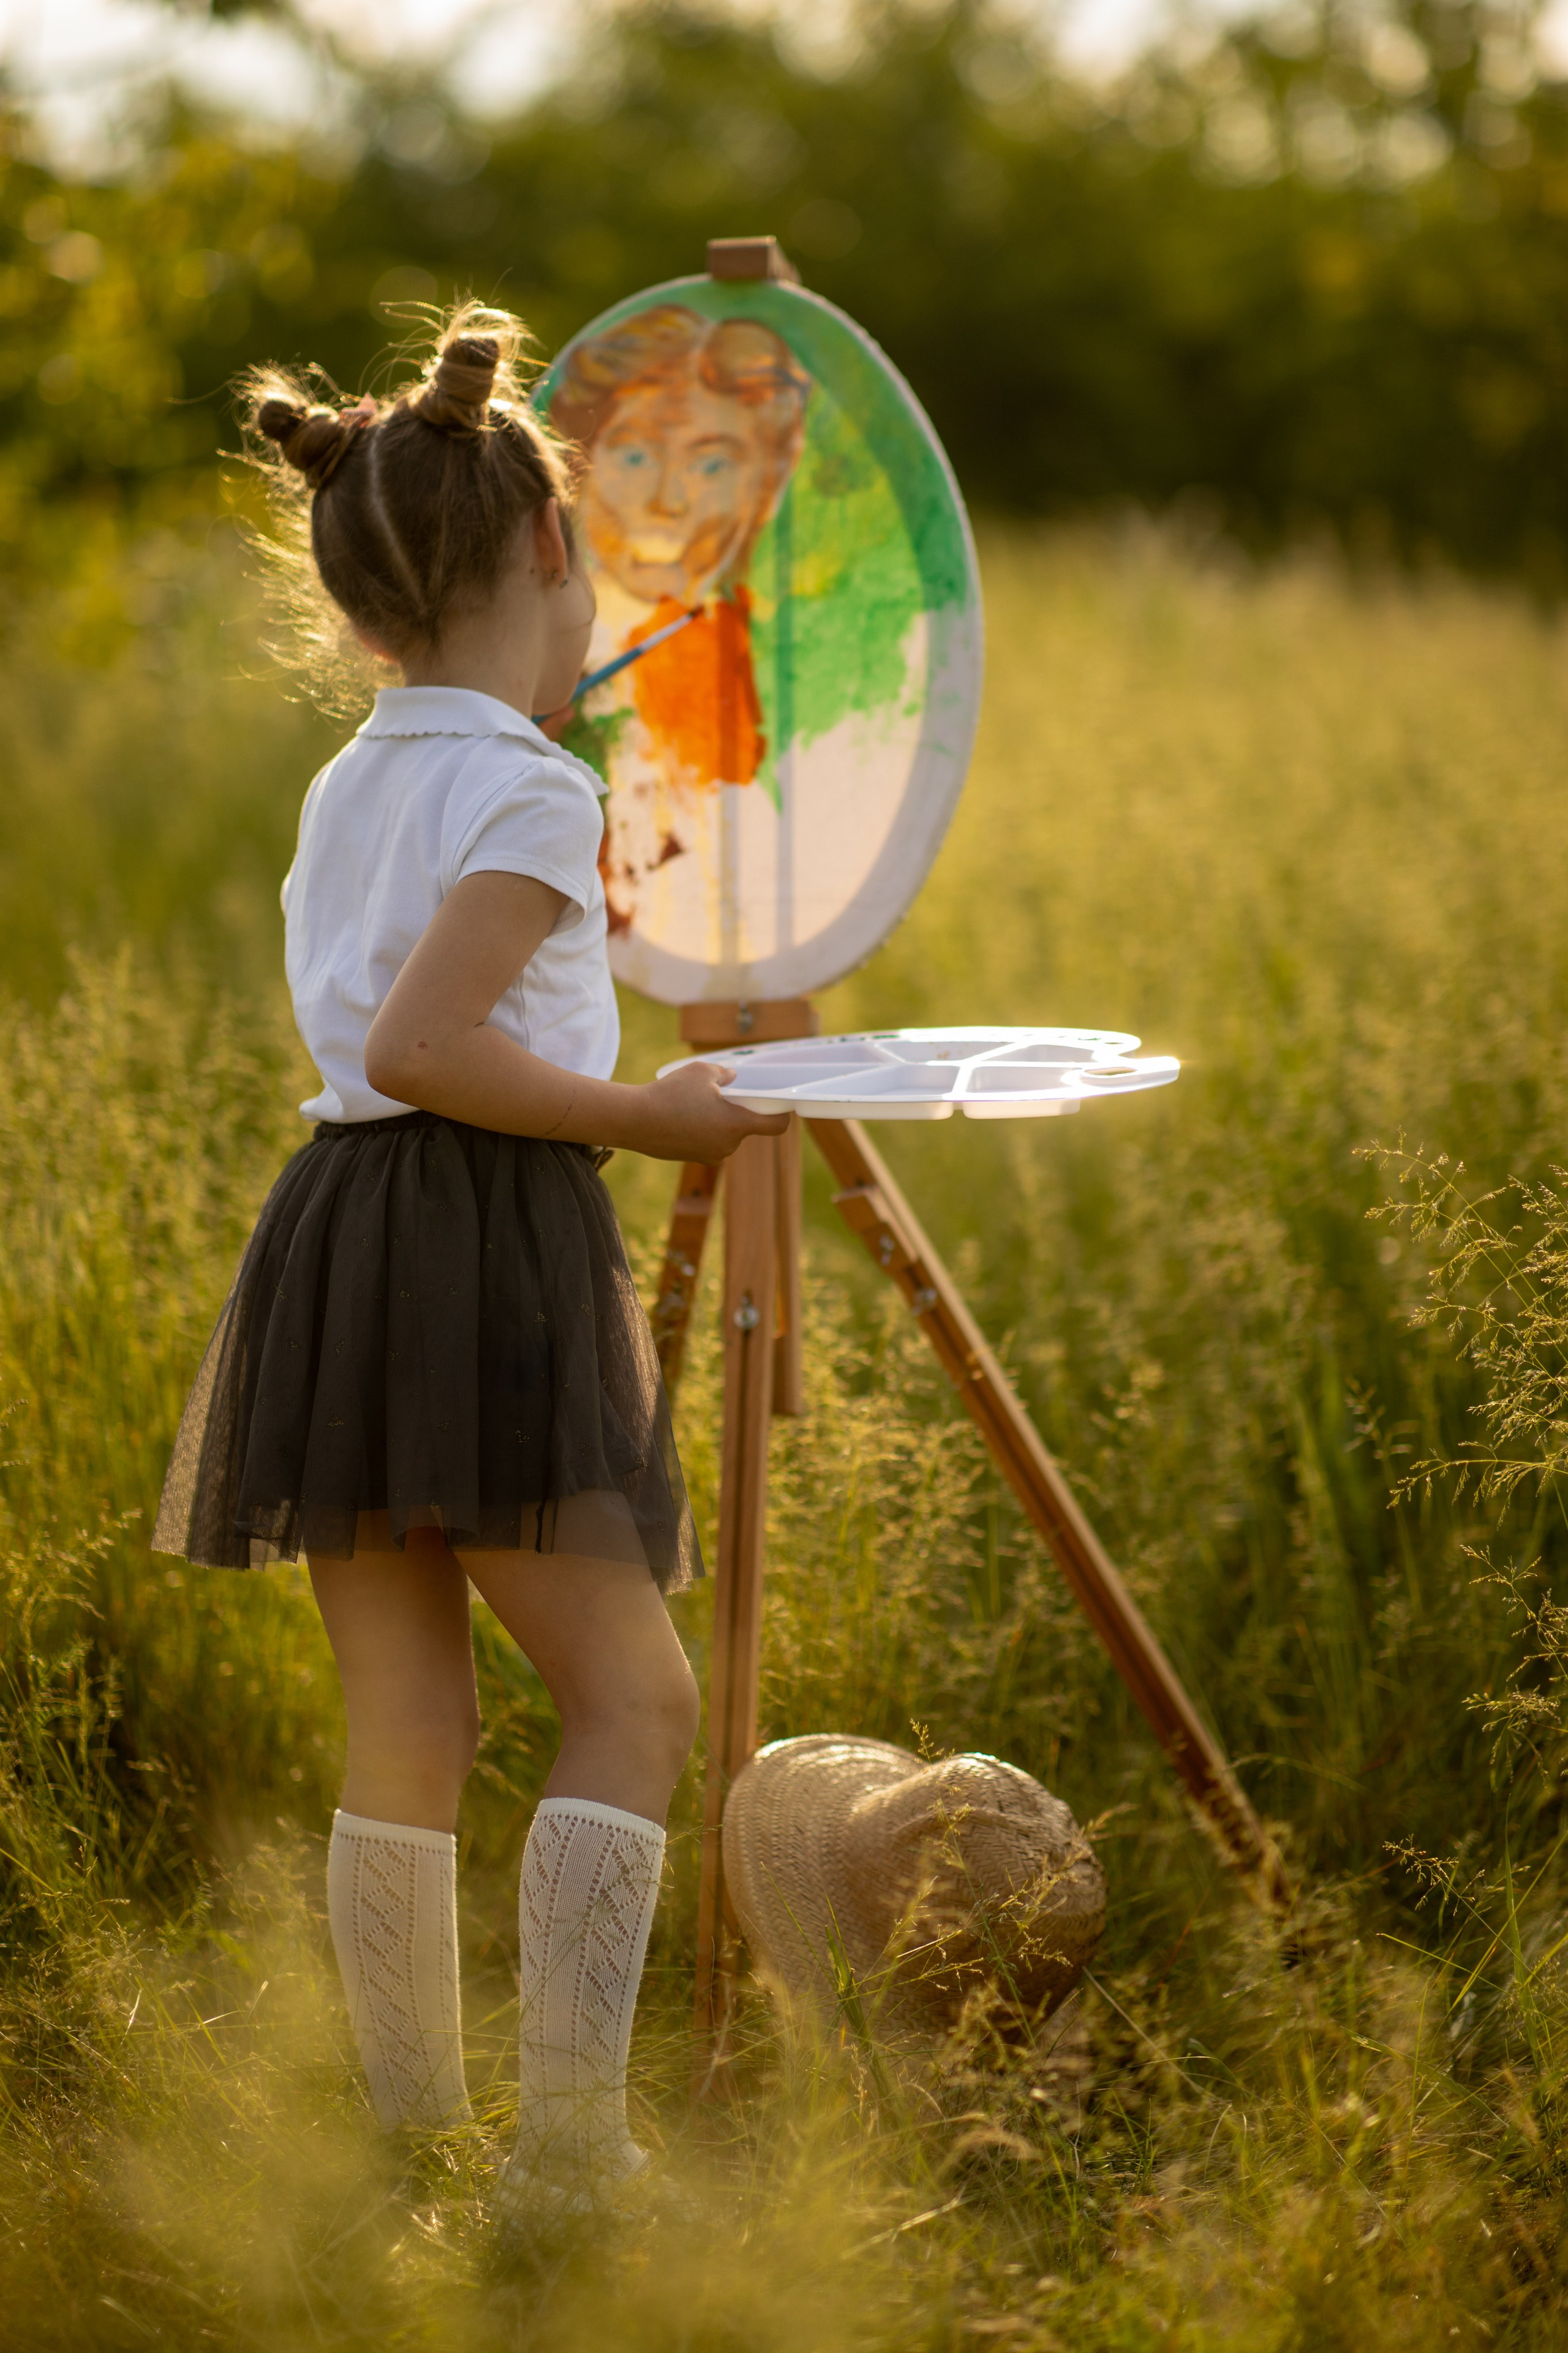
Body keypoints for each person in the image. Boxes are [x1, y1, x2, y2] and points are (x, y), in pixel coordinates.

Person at [151, 305, 787, 2207]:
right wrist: (649, 1118)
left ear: (358, 617)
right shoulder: (526, 782)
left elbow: (382, 1047)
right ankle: (571, 2162)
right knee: (636, 1699)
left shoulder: (356, 778)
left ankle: (415, 2144)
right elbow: (430, 1049)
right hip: (478, 1225)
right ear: (547, 553)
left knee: (408, 1712)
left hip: (345, 1235)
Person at [549, 306, 810, 935]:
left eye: (712, 464)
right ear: (572, 467)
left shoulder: (757, 667)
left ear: (763, 490)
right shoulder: (526, 668)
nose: (670, 499)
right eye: (636, 455)